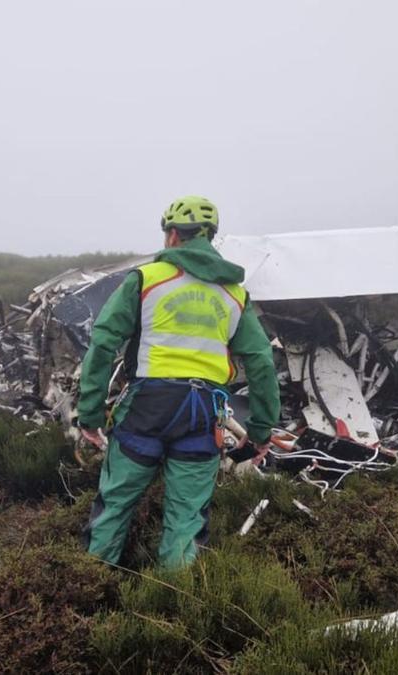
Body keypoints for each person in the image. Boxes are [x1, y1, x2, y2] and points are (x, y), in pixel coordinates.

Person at [78, 195, 280, 568]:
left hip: (147, 408)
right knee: (186, 520)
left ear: (172, 236)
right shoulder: (235, 294)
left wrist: (89, 413)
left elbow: (104, 342)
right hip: (203, 415)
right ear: (210, 237)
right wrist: (262, 428)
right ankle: (172, 612)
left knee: (115, 505)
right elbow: (261, 362)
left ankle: (90, 591)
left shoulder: (146, 279)